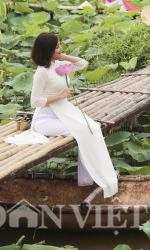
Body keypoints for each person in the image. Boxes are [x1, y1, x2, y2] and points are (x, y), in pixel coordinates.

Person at [29, 33, 118, 197]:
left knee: (93, 128)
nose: (61, 48)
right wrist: (60, 96)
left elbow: (83, 64)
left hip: (64, 112)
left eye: (59, 45)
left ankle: (93, 176)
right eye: (57, 46)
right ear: (48, 50)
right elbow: (34, 102)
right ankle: (89, 178)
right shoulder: (42, 72)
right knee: (83, 132)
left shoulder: (59, 65)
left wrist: (61, 55)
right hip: (45, 118)